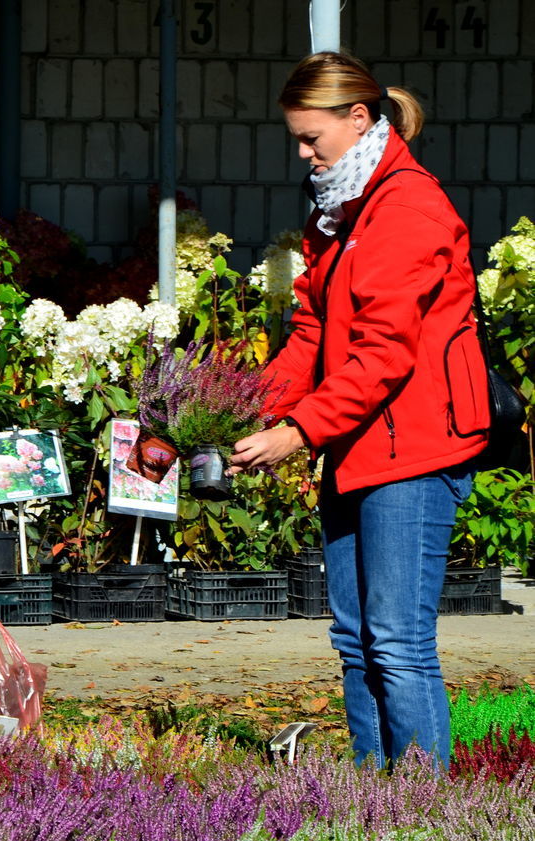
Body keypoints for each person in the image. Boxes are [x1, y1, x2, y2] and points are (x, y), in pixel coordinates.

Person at [228, 52, 489, 769]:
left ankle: (423, 805)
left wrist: (299, 431)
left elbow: (383, 354)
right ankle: (373, 791)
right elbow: (313, 334)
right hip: (357, 441)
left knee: (399, 639)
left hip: (415, 449)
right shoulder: (339, 205)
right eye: (297, 139)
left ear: (359, 118)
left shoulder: (406, 207)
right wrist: (246, 410)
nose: (303, 152)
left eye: (313, 138)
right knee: (354, 638)